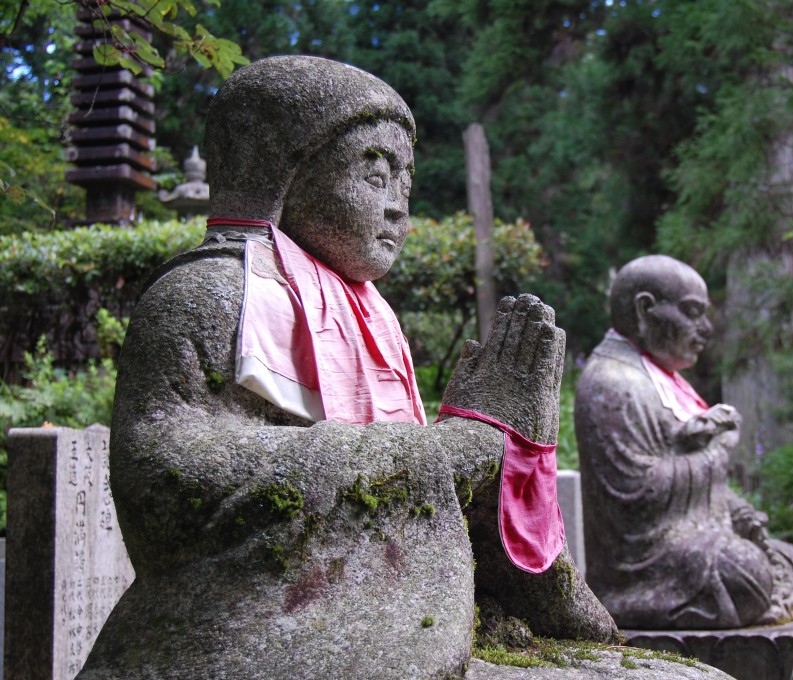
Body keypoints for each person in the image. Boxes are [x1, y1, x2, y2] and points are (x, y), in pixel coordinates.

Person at [78, 56, 613, 680]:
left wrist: (507, 448)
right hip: (256, 630)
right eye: (374, 175)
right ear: (285, 170)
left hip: (401, 610)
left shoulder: (370, 317)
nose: (395, 209)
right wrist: (444, 453)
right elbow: (164, 486)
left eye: (404, 185)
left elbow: (426, 497)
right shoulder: (209, 295)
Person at [576, 254, 793, 630]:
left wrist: (739, 512)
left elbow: (689, 477)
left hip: (688, 536)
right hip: (642, 565)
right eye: (692, 312)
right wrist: (716, 455)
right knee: (745, 572)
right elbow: (635, 494)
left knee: (790, 557)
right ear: (645, 310)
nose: (705, 328)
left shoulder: (659, 379)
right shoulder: (613, 382)